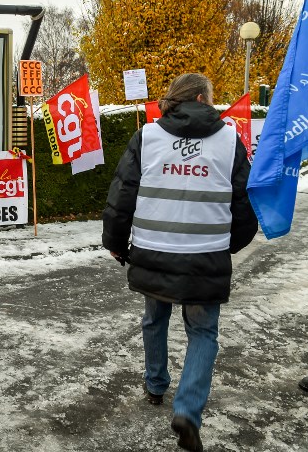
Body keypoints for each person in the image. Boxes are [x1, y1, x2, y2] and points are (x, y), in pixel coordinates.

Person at [102, 73, 258, 452]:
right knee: (203, 333)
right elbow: (244, 202)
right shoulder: (229, 141)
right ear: (204, 98)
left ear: (174, 98)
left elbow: (123, 194)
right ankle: (187, 411)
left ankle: (156, 385)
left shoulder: (148, 137)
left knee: (154, 317)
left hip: (154, 249)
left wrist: (116, 243)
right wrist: (229, 245)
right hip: (205, 255)